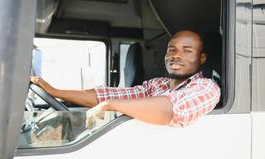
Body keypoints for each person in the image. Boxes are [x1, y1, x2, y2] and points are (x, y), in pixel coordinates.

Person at [30, 30, 221, 127]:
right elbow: (110, 94)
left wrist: (110, 105)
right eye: (172, 50)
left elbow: (173, 109)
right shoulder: (157, 84)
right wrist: (56, 92)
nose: (176, 56)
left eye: (187, 51)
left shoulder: (207, 88)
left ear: (201, 58)